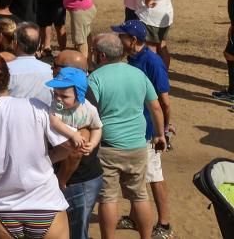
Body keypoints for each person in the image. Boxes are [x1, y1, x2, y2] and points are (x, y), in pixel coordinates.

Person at [0, 52, 72, 239]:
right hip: (47, 205)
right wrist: (47, 159)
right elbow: (68, 147)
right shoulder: (36, 106)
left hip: (1, 210)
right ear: (8, 78)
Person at [88, 32, 166, 239]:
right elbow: (156, 108)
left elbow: (89, 113)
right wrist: (160, 135)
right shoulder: (138, 74)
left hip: (108, 147)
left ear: (102, 56)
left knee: (108, 198)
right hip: (138, 146)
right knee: (140, 195)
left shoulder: (95, 78)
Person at [114, 21, 174, 239]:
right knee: (134, 175)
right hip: (135, 126)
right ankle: (134, 216)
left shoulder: (152, 62)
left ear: (134, 41)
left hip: (149, 130)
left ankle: (164, 224)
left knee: (154, 175)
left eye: (122, 36)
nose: (119, 39)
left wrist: (165, 130)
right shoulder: (131, 59)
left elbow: (164, 102)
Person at [51, 50, 105, 239]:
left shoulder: (81, 102)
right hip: (77, 179)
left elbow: (76, 150)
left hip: (76, 180)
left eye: (55, 65)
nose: (52, 67)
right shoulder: (64, 95)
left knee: (75, 233)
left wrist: (61, 179)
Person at [7, 22, 54, 104]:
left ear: (15, 43)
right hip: (44, 115)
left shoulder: (7, 69)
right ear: (39, 45)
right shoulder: (49, 70)